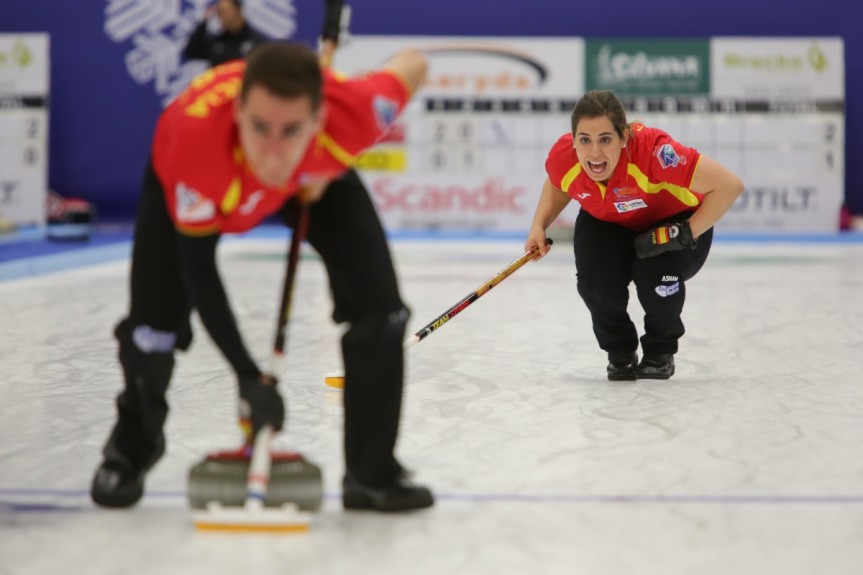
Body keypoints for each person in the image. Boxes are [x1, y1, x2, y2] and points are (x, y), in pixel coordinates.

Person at [90, 41, 435, 513]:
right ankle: (130, 450)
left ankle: (372, 473)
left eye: (291, 129)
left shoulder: (352, 115)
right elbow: (199, 270)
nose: (272, 151)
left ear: (318, 119)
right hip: (196, 177)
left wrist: (320, 165)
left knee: (382, 310)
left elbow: (414, 63)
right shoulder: (195, 143)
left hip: (315, 172)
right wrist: (249, 377)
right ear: (237, 113)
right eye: (259, 127)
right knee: (154, 326)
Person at [525, 90, 744, 381]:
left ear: (624, 137)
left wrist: (682, 233)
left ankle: (660, 351)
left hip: (676, 221)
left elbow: (729, 186)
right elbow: (558, 184)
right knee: (594, 281)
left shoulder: (654, 152)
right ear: (574, 138)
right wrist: (539, 224)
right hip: (611, 223)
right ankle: (620, 352)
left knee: (655, 276)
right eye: (584, 140)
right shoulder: (563, 156)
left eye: (605, 139)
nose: (594, 153)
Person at [183, 0, 267, 68]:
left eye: (224, 11)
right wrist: (204, 22)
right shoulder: (216, 42)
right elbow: (192, 52)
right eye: (218, 13)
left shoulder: (258, 43)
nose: (220, 17)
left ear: (238, 10)